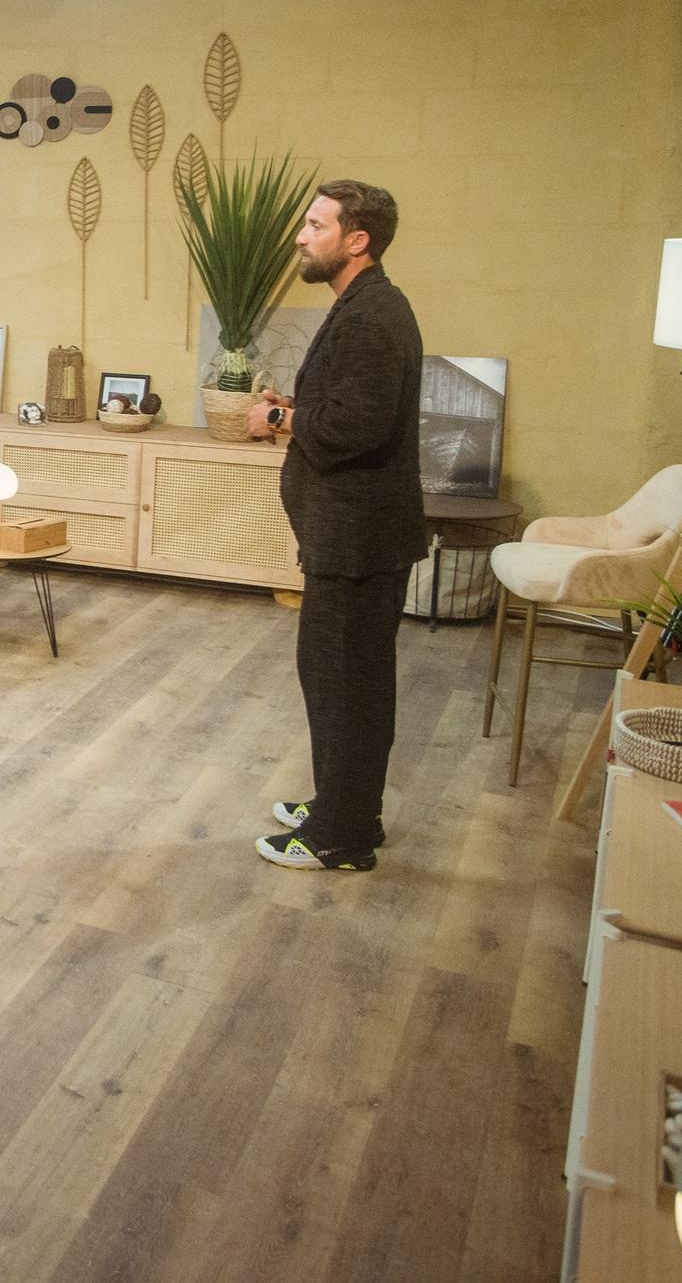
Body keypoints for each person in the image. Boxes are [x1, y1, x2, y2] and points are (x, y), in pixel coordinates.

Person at [248, 180, 424, 873]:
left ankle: (342, 836)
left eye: (316, 225)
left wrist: (280, 418)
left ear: (358, 240)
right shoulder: (366, 305)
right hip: (349, 539)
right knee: (341, 680)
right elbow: (354, 405)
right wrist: (297, 405)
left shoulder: (372, 316)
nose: (301, 236)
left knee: (344, 685)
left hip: (358, 541)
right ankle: (344, 807)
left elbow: (360, 426)